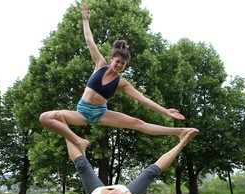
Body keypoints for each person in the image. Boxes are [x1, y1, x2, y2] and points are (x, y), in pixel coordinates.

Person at [39, 3, 199, 156]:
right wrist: (85, 20)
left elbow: (143, 100)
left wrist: (165, 111)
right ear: (112, 60)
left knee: (138, 123)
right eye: (117, 62)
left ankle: (179, 132)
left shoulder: (122, 83)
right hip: (82, 112)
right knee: (45, 117)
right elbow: (89, 40)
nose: (119, 65)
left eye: (123, 64)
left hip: (101, 113)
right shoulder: (100, 65)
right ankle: (80, 141)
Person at [55, 113, 199, 194]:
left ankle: (64, 128)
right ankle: (182, 143)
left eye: (116, 192)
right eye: (118, 192)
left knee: (82, 165)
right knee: (151, 172)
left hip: (96, 191)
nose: (116, 189)